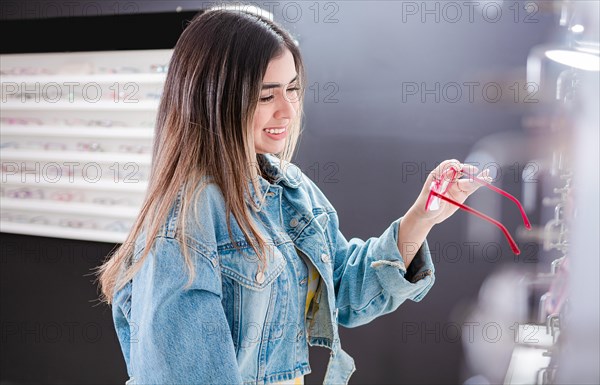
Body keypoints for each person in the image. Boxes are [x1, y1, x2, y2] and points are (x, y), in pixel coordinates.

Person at [96, 7, 487, 385]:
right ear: (215, 99)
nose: (287, 110)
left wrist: (422, 216)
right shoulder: (186, 222)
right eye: (266, 97)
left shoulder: (288, 187)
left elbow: (344, 292)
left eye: (293, 89)